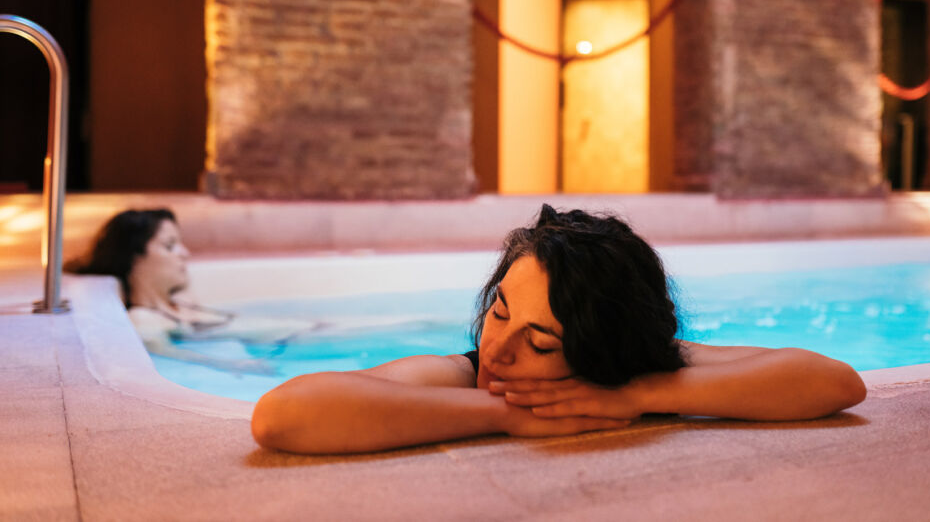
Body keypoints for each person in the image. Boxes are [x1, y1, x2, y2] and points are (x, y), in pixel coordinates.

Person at [251, 205, 867, 455]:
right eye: (499, 311)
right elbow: (280, 416)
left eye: (540, 342)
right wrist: (508, 417)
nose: (498, 349)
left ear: (605, 352)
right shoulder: (464, 376)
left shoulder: (637, 365)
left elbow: (835, 382)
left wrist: (640, 396)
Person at [66, 208, 314, 375]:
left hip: (301, 339)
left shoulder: (177, 305)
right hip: (305, 346)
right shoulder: (145, 318)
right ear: (135, 258)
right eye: (170, 245)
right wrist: (235, 365)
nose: (184, 253)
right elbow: (169, 354)